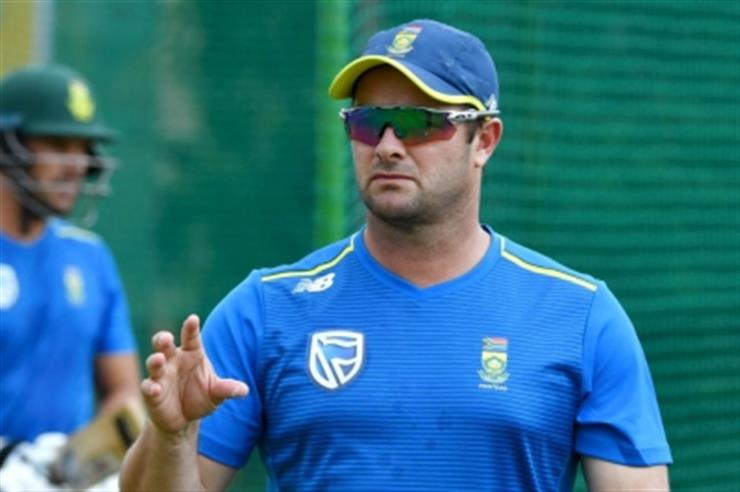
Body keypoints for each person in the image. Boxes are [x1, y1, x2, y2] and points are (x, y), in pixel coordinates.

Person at [120, 19, 672, 491]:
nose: (386, 145)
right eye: (366, 122)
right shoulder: (266, 309)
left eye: (417, 122)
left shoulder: (580, 316)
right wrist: (171, 437)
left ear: (484, 140)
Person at [0, 64, 140, 444]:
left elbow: (124, 394)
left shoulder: (91, 257)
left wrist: (72, 465)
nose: (76, 166)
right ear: (6, 146)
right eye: (59, 146)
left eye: (84, 151)